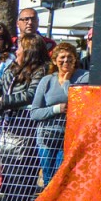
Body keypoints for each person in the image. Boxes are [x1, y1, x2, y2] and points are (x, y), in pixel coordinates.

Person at [0, 35, 52, 201]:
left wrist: (2, 101)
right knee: (4, 172)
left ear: (29, 50)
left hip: (26, 130)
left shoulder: (41, 70)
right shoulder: (12, 67)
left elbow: (31, 95)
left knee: (20, 177)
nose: (16, 51)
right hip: (6, 128)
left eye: (20, 47)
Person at [30, 41, 89, 188]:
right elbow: (35, 112)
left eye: (70, 57)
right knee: (48, 179)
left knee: (61, 177)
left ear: (75, 59)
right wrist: (56, 109)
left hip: (69, 137)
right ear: (54, 61)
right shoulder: (47, 80)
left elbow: (78, 102)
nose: (66, 60)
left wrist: (67, 81)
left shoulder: (84, 77)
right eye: (62, 57)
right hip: (46, 137)